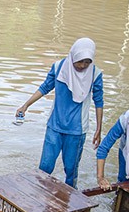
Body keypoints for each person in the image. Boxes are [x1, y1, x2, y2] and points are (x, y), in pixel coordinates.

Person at [16, 37, 104, 188]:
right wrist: (26, 105)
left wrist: (98, 129)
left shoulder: (95, 74)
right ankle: (39, 194)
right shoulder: (59, 68)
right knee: (45, 167)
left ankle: (71, 196)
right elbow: (45, 87)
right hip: (55, 126)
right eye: (79, 61)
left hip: (77, 130)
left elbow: (99, 101)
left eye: (87, 62)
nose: (82, 66)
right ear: (73, 56)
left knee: (71, 170)